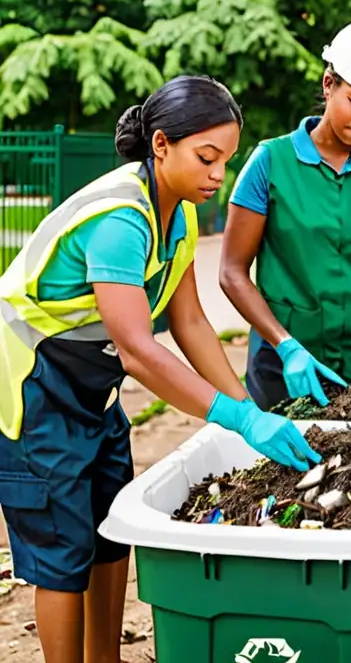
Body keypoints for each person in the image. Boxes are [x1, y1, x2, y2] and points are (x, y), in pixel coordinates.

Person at [0, 76, 319, 663]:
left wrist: (248, 413)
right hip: (31, 390)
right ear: (163, 145)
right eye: (207, 157)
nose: (219, 175)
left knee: (109, 534)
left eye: (226, 160)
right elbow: (138, 350)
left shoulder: (179, 216)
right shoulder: (121, 218)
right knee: (61, 553)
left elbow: (192, 323)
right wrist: (234, 419)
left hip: (88, 392)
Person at [220, 19, 351, 410]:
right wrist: (285, 345)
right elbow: (232, 273)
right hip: (283, 366)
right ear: (327, 84)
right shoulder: (270, 161)